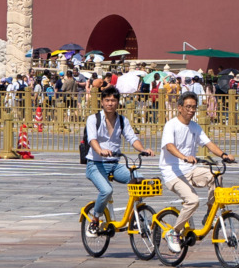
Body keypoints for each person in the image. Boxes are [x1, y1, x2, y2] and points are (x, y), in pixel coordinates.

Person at [158, 89, 226, 247]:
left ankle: (210, 212)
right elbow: (169, 146)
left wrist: (224, 155)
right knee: (193, 200)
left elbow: (208, 144)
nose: (191, 110)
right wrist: (184, 157)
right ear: (180, 107)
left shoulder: (195, 126)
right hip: (172, 172)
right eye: (188, 107)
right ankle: (173, 232)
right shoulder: (171, 125)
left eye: (194, 107)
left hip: (190, 170)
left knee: (216, 176)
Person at [82, 85, 149, 232]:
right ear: (102, 102)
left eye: (113, 100)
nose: (110, 103)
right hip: (95, 164)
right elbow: (92, 139)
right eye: (107, 100)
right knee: (106, 190)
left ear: (118, 102)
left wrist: (143, 149)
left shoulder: (122, 120)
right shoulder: (93, 119)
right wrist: (100, 151)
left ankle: (136, 215)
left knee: (138, 178)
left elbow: (132, 138)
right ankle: (95, 219)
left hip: (115, 164)